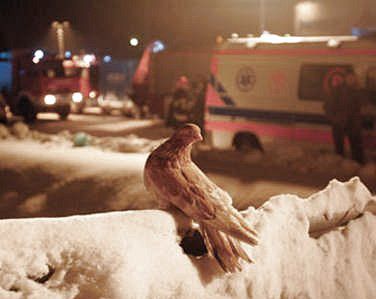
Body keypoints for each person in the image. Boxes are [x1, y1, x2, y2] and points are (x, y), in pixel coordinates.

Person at [324, 71, 365, 164]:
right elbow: (328, 106)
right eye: (349, 78)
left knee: (357, 146)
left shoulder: (359, 91)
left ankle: (357, 165)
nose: (351, 80)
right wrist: (334, 119)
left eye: (353, 78)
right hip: (339, 123)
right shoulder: (338, 90)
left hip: (354, 123)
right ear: (345, 79)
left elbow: (362, 106)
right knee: (339, 147)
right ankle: (339, 167)